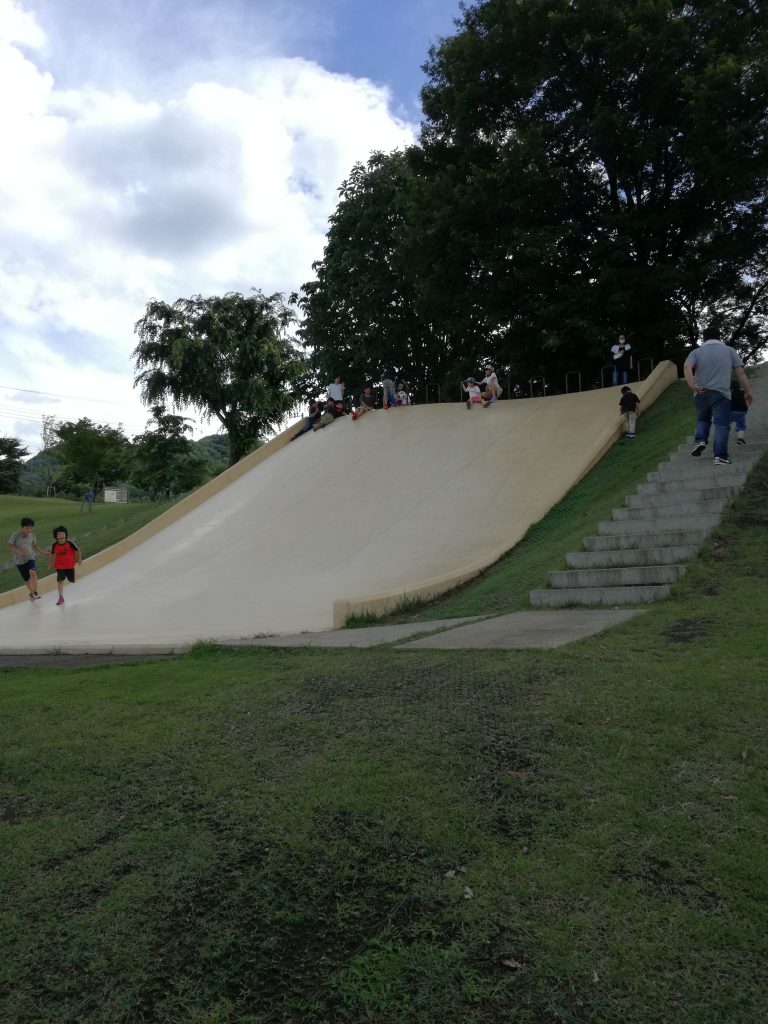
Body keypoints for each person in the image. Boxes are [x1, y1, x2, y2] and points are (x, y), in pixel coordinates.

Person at [684, 325, 753, 465]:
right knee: (721, 425)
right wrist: (747, 391)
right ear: (719, 337)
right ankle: (720, 456)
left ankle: (701, 440)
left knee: (702, 419)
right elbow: (740, 373)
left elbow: (687, 367)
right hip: (721, 393)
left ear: (704, 338)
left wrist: (692, 385)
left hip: (700, 392)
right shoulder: (729, 351)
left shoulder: (696, 352)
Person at [7, 517, 47, 601]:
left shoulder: (32, 536)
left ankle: (35, 592)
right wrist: (19, 553)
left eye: (30, 528)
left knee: (33, 572)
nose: (29, 529)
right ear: (22, 527)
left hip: (30, 557)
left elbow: (35, 546)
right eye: (27, 528)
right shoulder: (15, 535)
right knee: (26, 579)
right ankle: (32, 594)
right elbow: (10, 547)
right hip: (19, 561)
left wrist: (43, 552)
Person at [47, 525, 82, 606]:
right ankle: (61, 597)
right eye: (59, 534)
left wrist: (79, 559)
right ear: (56, 537)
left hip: (69, 565)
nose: (61, 536)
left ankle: (71, 583)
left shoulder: (70, 543)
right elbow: (52, 555)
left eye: (63, 534)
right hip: (59, 566)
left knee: (71, 580)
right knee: (60, 580)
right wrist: (50, 564)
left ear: (66, 535)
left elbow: (77, 550)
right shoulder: (54, 545)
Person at [730, 379, 749, 445]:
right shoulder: (743, 392)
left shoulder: (729, 394)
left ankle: (723, 436)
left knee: (726, 424)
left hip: (731, 411)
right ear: (739, 386)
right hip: (742, 411)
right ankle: (740, 439)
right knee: (741, 426)